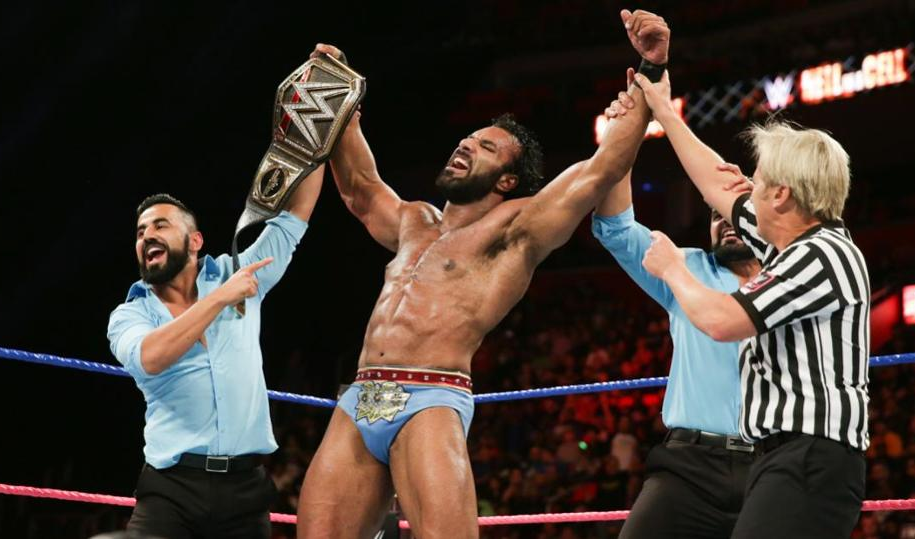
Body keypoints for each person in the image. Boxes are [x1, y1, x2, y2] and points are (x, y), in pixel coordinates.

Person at [297, 9, 670, 539]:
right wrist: (337, 99)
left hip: (430, 396)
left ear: (507, 180)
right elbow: (360, 187)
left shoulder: (517, 227)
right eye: (468, 139)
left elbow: (603, 166)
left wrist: (651, 69)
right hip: (361, 394)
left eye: (486, 147)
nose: (467, 145)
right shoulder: (413, 221)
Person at [630, 70, 870, 538]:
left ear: (781, 195)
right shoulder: (786, 244)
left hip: (811, 458)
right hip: (784, 456)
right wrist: (663, 109)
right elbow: (715, 184)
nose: (745, 186)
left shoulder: (820, 255)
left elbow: (723, 321)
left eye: (756, 182)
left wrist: (674, 269)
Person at [106, 165, 325, 539]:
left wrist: (321, 142)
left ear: (195, 241)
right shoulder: (130, 314)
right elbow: (149, 358)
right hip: (171, 490)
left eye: (160, 226)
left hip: (246, 489)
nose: (147, 236)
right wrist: (222, 297)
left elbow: (294, 218)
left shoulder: (238, 273)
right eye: (140, 232)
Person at [591, 120, 760, 536]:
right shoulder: (684, 267)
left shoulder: (796, 278)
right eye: (715, 214)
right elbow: (616, 228)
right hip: (688, 466)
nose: (724, 221)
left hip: (772, 465)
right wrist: (623, 138)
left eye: (735, 210)